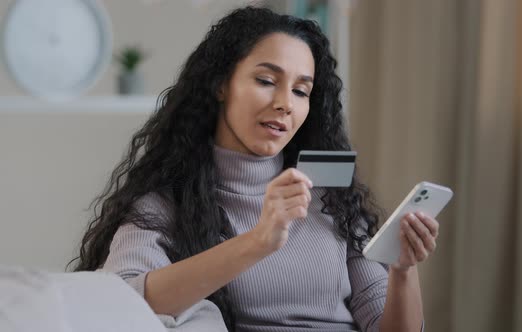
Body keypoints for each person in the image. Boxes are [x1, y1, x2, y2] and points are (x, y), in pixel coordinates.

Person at [70, 6, 439, 332]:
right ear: (220, 84)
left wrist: (403, 269)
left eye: (301, 91)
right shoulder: (165, 205)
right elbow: (124, 301)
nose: (285, 104)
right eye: (266, 81)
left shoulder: (335, 202)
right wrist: (259, 241)